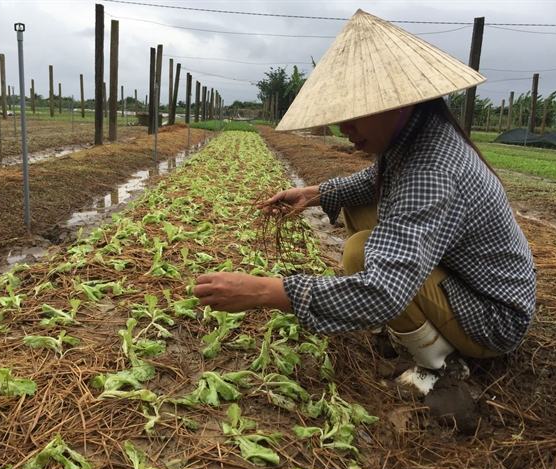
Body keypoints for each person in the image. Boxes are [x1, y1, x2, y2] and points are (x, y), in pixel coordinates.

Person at [193, 10, 536, 394]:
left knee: (360, 252)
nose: (345, 128)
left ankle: (442, 365)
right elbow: (375, 180)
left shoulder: (432, 170)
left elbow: (382, 290)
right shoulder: (417, 133)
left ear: (398, 102)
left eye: (356, 114)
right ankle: (408, 328)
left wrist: (263, 291)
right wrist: (314, 194)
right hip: (467, 280)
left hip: (491, 316)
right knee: (358, 206)